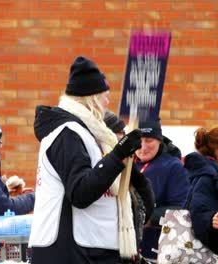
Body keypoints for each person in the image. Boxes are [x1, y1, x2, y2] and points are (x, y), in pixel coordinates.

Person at [28, 56, 142, 264]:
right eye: (104, 96)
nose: (108, 103)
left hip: (91, 247)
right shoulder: (67, 134)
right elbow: (80, 192)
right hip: (68, 250)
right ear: (92, 99)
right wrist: (117, 156)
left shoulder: (91, 135)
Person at [134, 119, 190, 263]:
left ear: (160, 140)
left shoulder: (174, 166)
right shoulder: (130, 163)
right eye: (138, 141)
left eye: (149, 140)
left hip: (158, 249)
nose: (143, 147)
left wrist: (147, 218)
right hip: (130, 246)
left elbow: (181, 208)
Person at [104, 110, 155, 261]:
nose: (122, 137)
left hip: (130, 253)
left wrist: (132, 170)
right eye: (118, 132)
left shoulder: (130, 170)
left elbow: (147, 207)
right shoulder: (99, 168)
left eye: (123, 132)